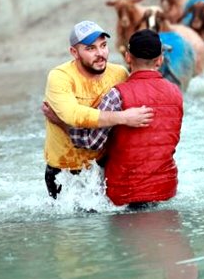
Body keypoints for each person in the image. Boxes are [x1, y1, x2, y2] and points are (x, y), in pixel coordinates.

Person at [66, 29, 183, 207]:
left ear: (127, 57)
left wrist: (62, 122)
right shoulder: (176, 93)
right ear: (160, 60)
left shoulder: (116, 94)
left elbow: (92, 143)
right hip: (166, 189)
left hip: (124, 193)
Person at [41, 20, 153, 199]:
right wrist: (122, 117)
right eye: (91, 48)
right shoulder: (60, 77)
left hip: (104, 165)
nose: (100, 54)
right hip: (64, 169)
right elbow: (73, 115)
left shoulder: (119, 74)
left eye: (103, 45)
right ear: (74, 52)